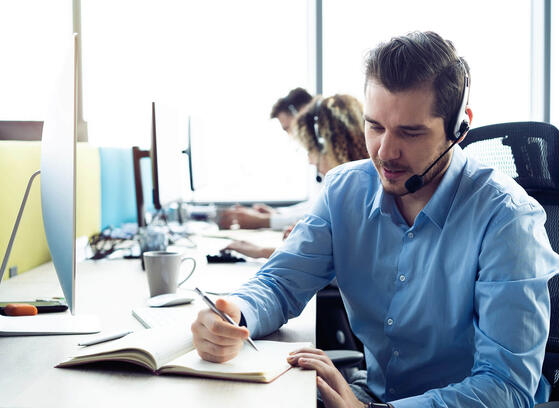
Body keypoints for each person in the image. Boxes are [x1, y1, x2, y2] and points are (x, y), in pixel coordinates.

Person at [191, 31, 559, 407]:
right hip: (372, 394)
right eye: (375, 126)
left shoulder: (508, 220)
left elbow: (506, 388)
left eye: (410, 132)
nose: (385, 152)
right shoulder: (342, 192)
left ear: (459, 127)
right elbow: (281, 283)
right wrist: (237, 313)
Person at [223, 94, 369, 259]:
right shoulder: (352, 184)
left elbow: (339, 265)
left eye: (310, 150)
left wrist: (264, 250)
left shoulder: (359, 190)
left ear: (325, 145)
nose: (310, 161)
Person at [218, 88, 316, 231]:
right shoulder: (319, 152)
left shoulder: (330, 155)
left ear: (302, 116)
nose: (291, 136)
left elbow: (321, 216)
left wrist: (264, 221)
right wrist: (278, 213)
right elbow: (316, 204)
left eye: (288, 128)